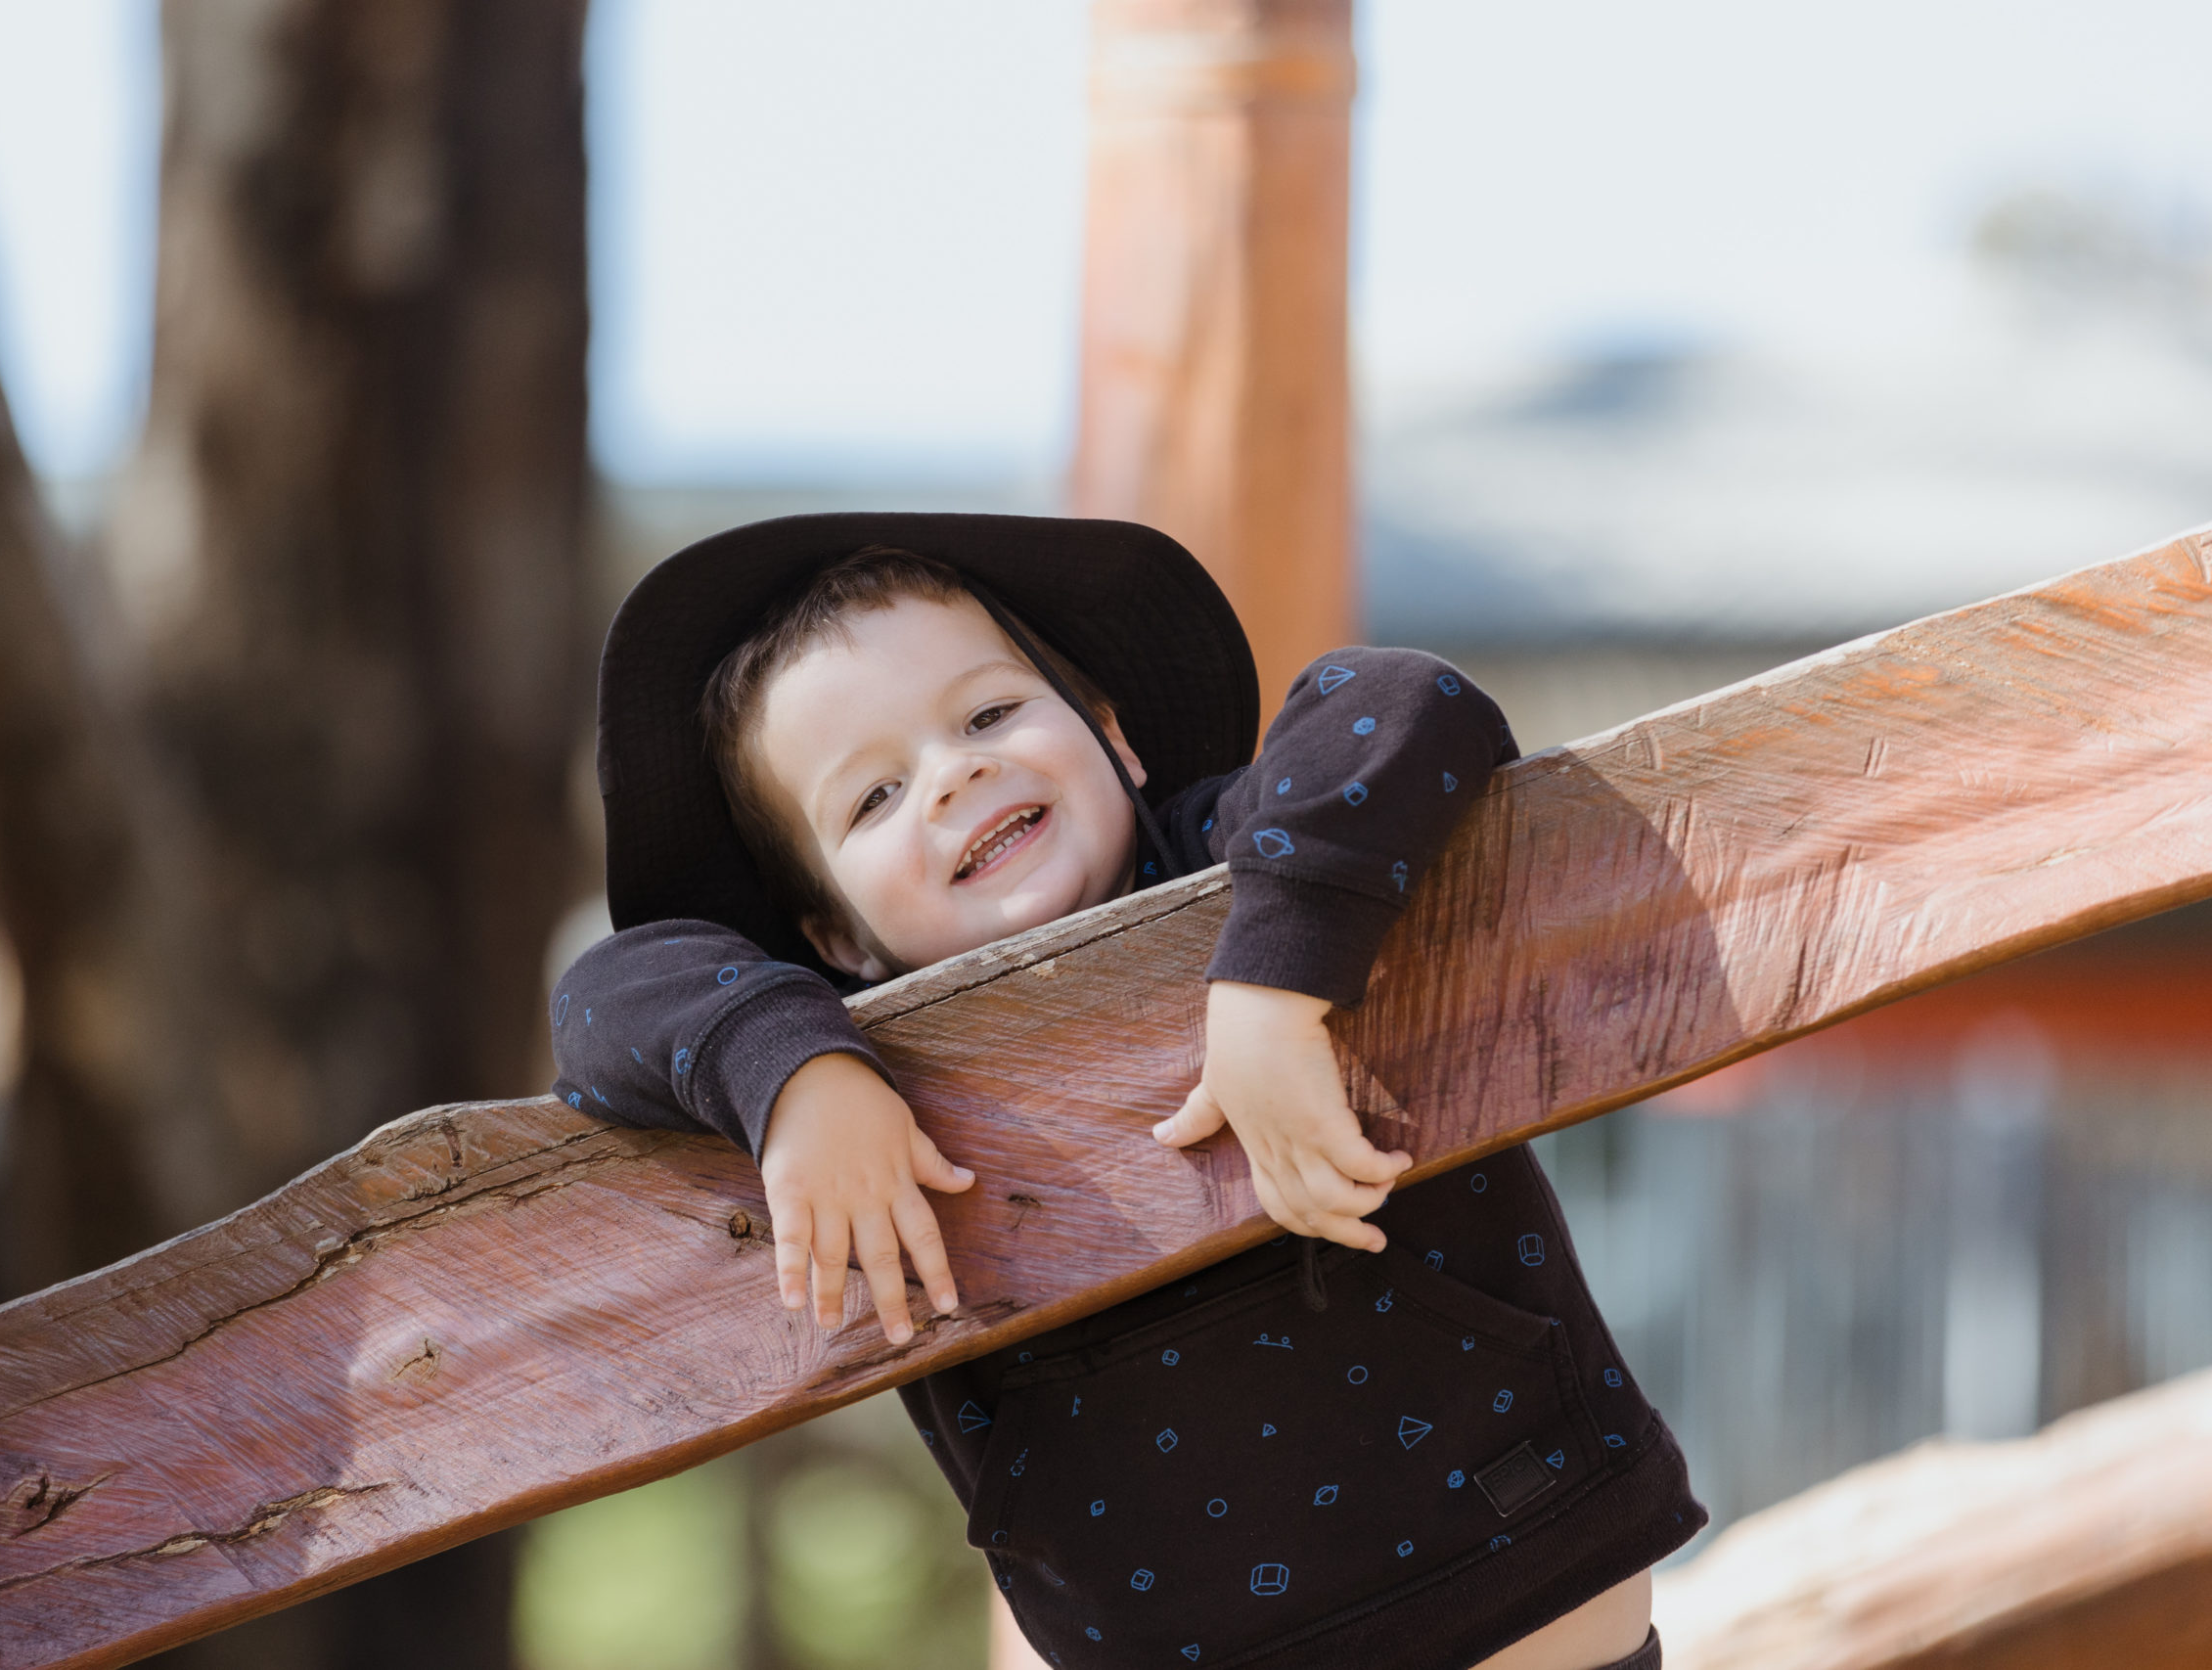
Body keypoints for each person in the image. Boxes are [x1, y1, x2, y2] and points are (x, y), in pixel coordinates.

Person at [552, 514, 1701, 1670]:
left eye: (990, 714)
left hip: (1526, 1547)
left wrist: (1275, 974)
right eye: (873, 797)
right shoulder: (853, 1037)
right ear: (830, 935)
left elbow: (1402, 698)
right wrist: (788, 1070)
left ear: (1114, 738)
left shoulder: (1231, 851)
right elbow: (600, 999)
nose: (955, 773)